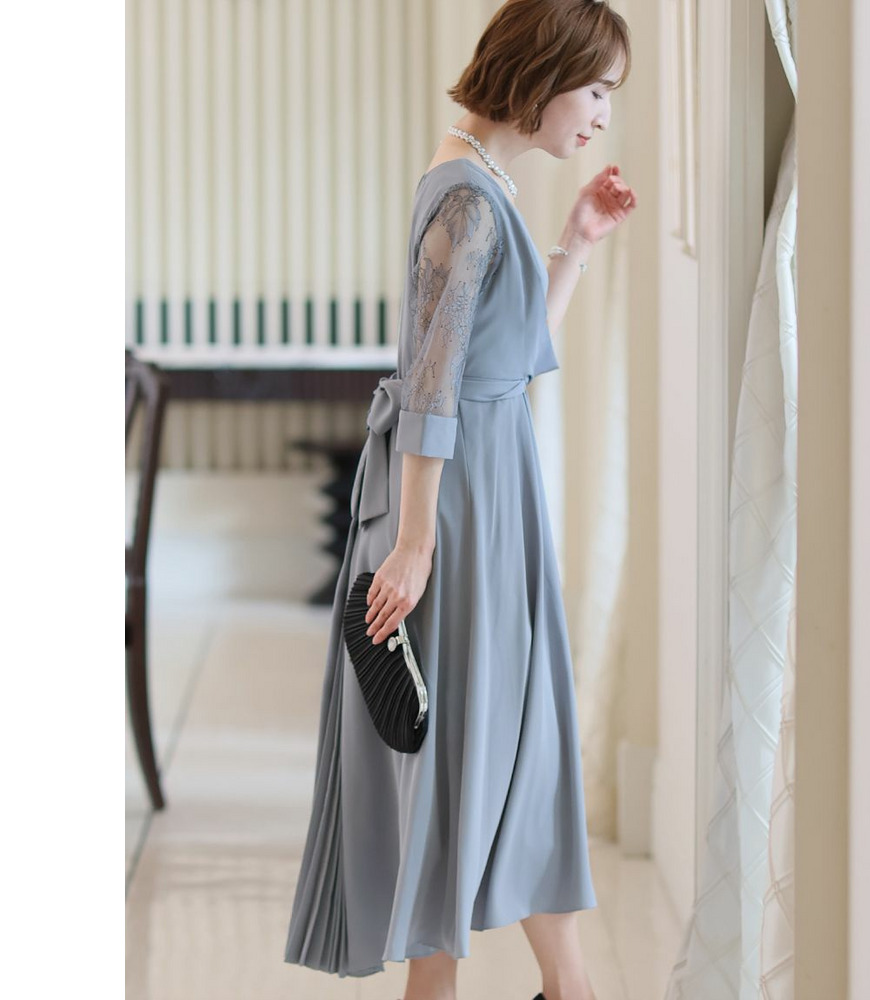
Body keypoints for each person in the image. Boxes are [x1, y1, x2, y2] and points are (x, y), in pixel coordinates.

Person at [284, 2, 637, 998]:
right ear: (543, 72)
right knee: (474, 752)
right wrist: (415, 540)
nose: (602, 115)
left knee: (503, 746)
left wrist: (574, 244)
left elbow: (500, 363)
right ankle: (560, 988)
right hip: (462, 508)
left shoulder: (478, 185)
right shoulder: (468, 200)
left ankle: (557, 986)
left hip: (487, 496)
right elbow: (433, 389)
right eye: (597, 89)